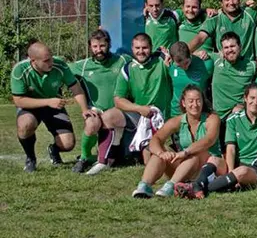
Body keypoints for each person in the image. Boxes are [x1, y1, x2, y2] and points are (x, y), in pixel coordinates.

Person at [96, 34, 173, 174]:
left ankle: (140, 150)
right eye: (137, 48)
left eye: (145, 48)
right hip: (139, 116)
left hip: (161, 119)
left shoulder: (162, 61)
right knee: (108, 116)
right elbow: (118, 99)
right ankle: (106, 159)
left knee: (150, 162)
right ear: (132, 48)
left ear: (151, 48)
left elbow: (181, 55)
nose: (141, 51)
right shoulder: (128, 68)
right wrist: (139, 108)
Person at [131, 85, 224, 198]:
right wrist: (161, 153)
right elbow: (156, 139)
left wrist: (186, 152)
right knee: (161, 152)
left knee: (195, 154)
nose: (195, 105)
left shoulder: (212, 118)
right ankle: (144, 186)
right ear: (184, 103)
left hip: (211, 166)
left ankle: (171, 186)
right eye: (191, 101)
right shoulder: (177, 120)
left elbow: (209, 140)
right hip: (187, 167)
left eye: (198, 101)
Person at [12, 41, 92, 173]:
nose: (51, 62)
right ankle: (30, 158)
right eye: (46, 60)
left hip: (54, 105)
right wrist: (48, 102)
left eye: (51, 57)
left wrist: (85, 110)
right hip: (30, 106)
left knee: (68, 144)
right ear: (33, 61)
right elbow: (19, 101)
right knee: (25, 125)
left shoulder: (60, 65)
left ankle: (54, 150)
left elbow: (76, 88)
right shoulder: (19, 70)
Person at [69, 30, 130, 173]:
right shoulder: (82, 66)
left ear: (109, 45)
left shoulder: (122, 60)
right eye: (95, 46)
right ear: (90, 46)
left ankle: (109, 154)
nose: (99, 50)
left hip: (118, 111)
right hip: (96, 109)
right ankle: (84, 158)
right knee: (91, 123)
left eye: (102, 46)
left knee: (119, 158)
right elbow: (61, 68)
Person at [206, 84, 257, 193]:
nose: (255, 102)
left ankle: (204, 189)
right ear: (245, 98)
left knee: (242, 171)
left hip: (255, 169)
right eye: (252, 98)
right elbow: (230, 149)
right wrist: (231, 171)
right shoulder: (233, 119)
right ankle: (198, 184)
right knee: (213, 160)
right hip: (235, 166)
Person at [189, 0, 257, 61]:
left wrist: (255, 2)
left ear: (239, 1)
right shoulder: (215, 18)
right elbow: (200, 38)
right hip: (223, 67)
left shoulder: (251, 13)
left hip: (247, 67)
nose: (231, 2)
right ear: (221, 3)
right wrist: (184, 53)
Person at [211, 32, 256, 121]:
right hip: (217, 117)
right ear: (222, 50)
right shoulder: (216, 60)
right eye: (226, 47)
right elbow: (191, 54)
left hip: (237, 115)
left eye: (232, 46)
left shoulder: (251, 66)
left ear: (240, 47)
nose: (229, 50)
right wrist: (200, 53)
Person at [167, 41, 211, 118]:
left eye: (186, 63)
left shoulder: (205, 65)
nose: (184, 67)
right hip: (176, 114)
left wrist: (204, 54)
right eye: (179, 66)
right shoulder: (170, 66)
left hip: (198, 114)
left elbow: (220, 57)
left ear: (190, 55)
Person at [176, 0, 215, 69]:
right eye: (187, 6)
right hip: (183, 69)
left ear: (200, 8)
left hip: (207, 69)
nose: (190, 10)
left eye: (194, 7)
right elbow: (161, 12)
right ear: (183, 8)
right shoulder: (178, 22)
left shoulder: (209, 20)